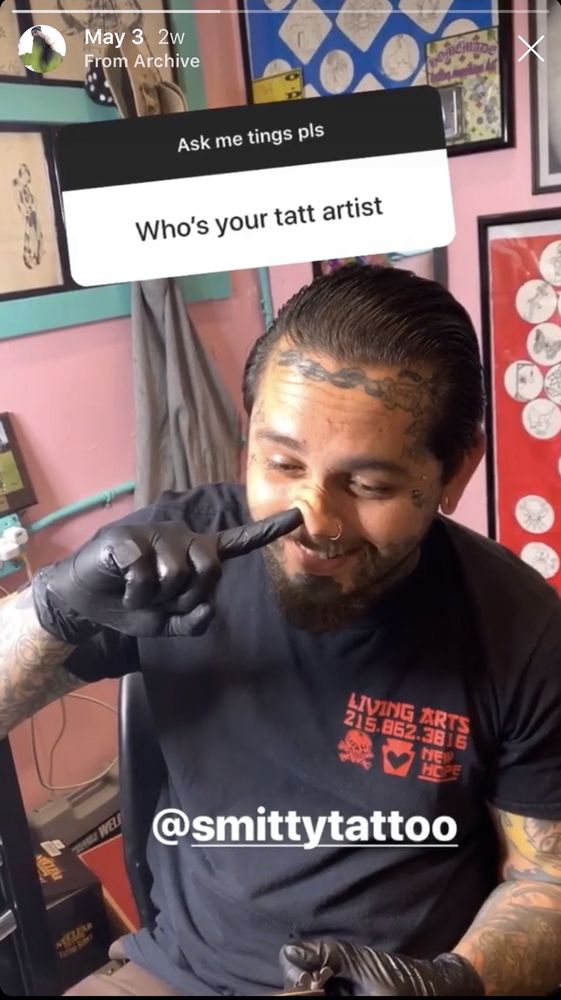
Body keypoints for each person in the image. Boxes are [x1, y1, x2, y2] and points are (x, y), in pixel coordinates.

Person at [2, 264, 561, 997]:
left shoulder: (519, 630)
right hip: (181, 976)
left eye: (368, 484)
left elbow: (545, 881)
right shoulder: (173, 557)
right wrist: (56, 606)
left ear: (455, 472)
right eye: (281, 462)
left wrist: (451, 983)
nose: (313, 520)